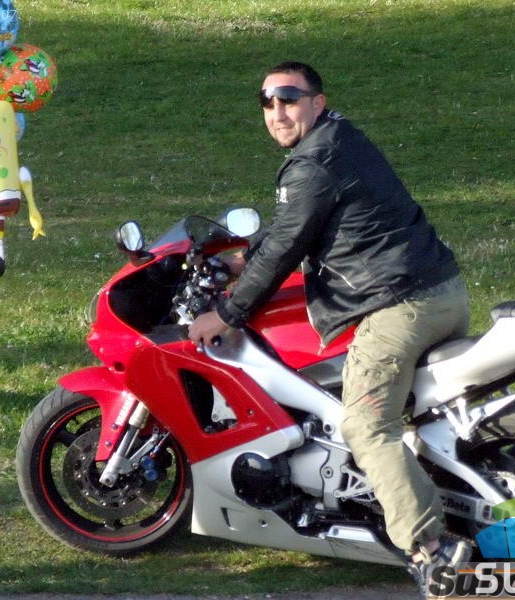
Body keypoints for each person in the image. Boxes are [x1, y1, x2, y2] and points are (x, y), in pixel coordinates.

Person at [188, 61, 472, 598]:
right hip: (438, 292)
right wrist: (239, 262)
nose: (277, 112)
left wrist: (226, 314)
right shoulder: (338, 140)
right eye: (267, 102)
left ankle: (430, 551)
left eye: (289, 99)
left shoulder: (312, 161)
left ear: (317, 103)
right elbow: (294, 228)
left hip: (398, 305)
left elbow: (286, 248)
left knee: (366, 426)